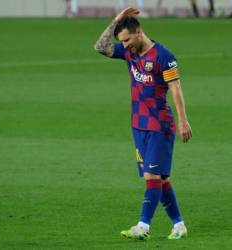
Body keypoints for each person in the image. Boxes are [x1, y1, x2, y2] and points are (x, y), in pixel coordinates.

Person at [94, 7, 192, 240]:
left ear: (139, 31)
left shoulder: (163, 56)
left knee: (151, 177)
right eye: (122, 41)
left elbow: (175, 88)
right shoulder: (129, 53)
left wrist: (183, 120)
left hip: (159, 125)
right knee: (162, 179)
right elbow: (100, 47)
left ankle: (143, 226)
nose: (125, 45)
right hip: (138, 125)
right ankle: (179, 225)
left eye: (127, 39)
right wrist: (116, 21)